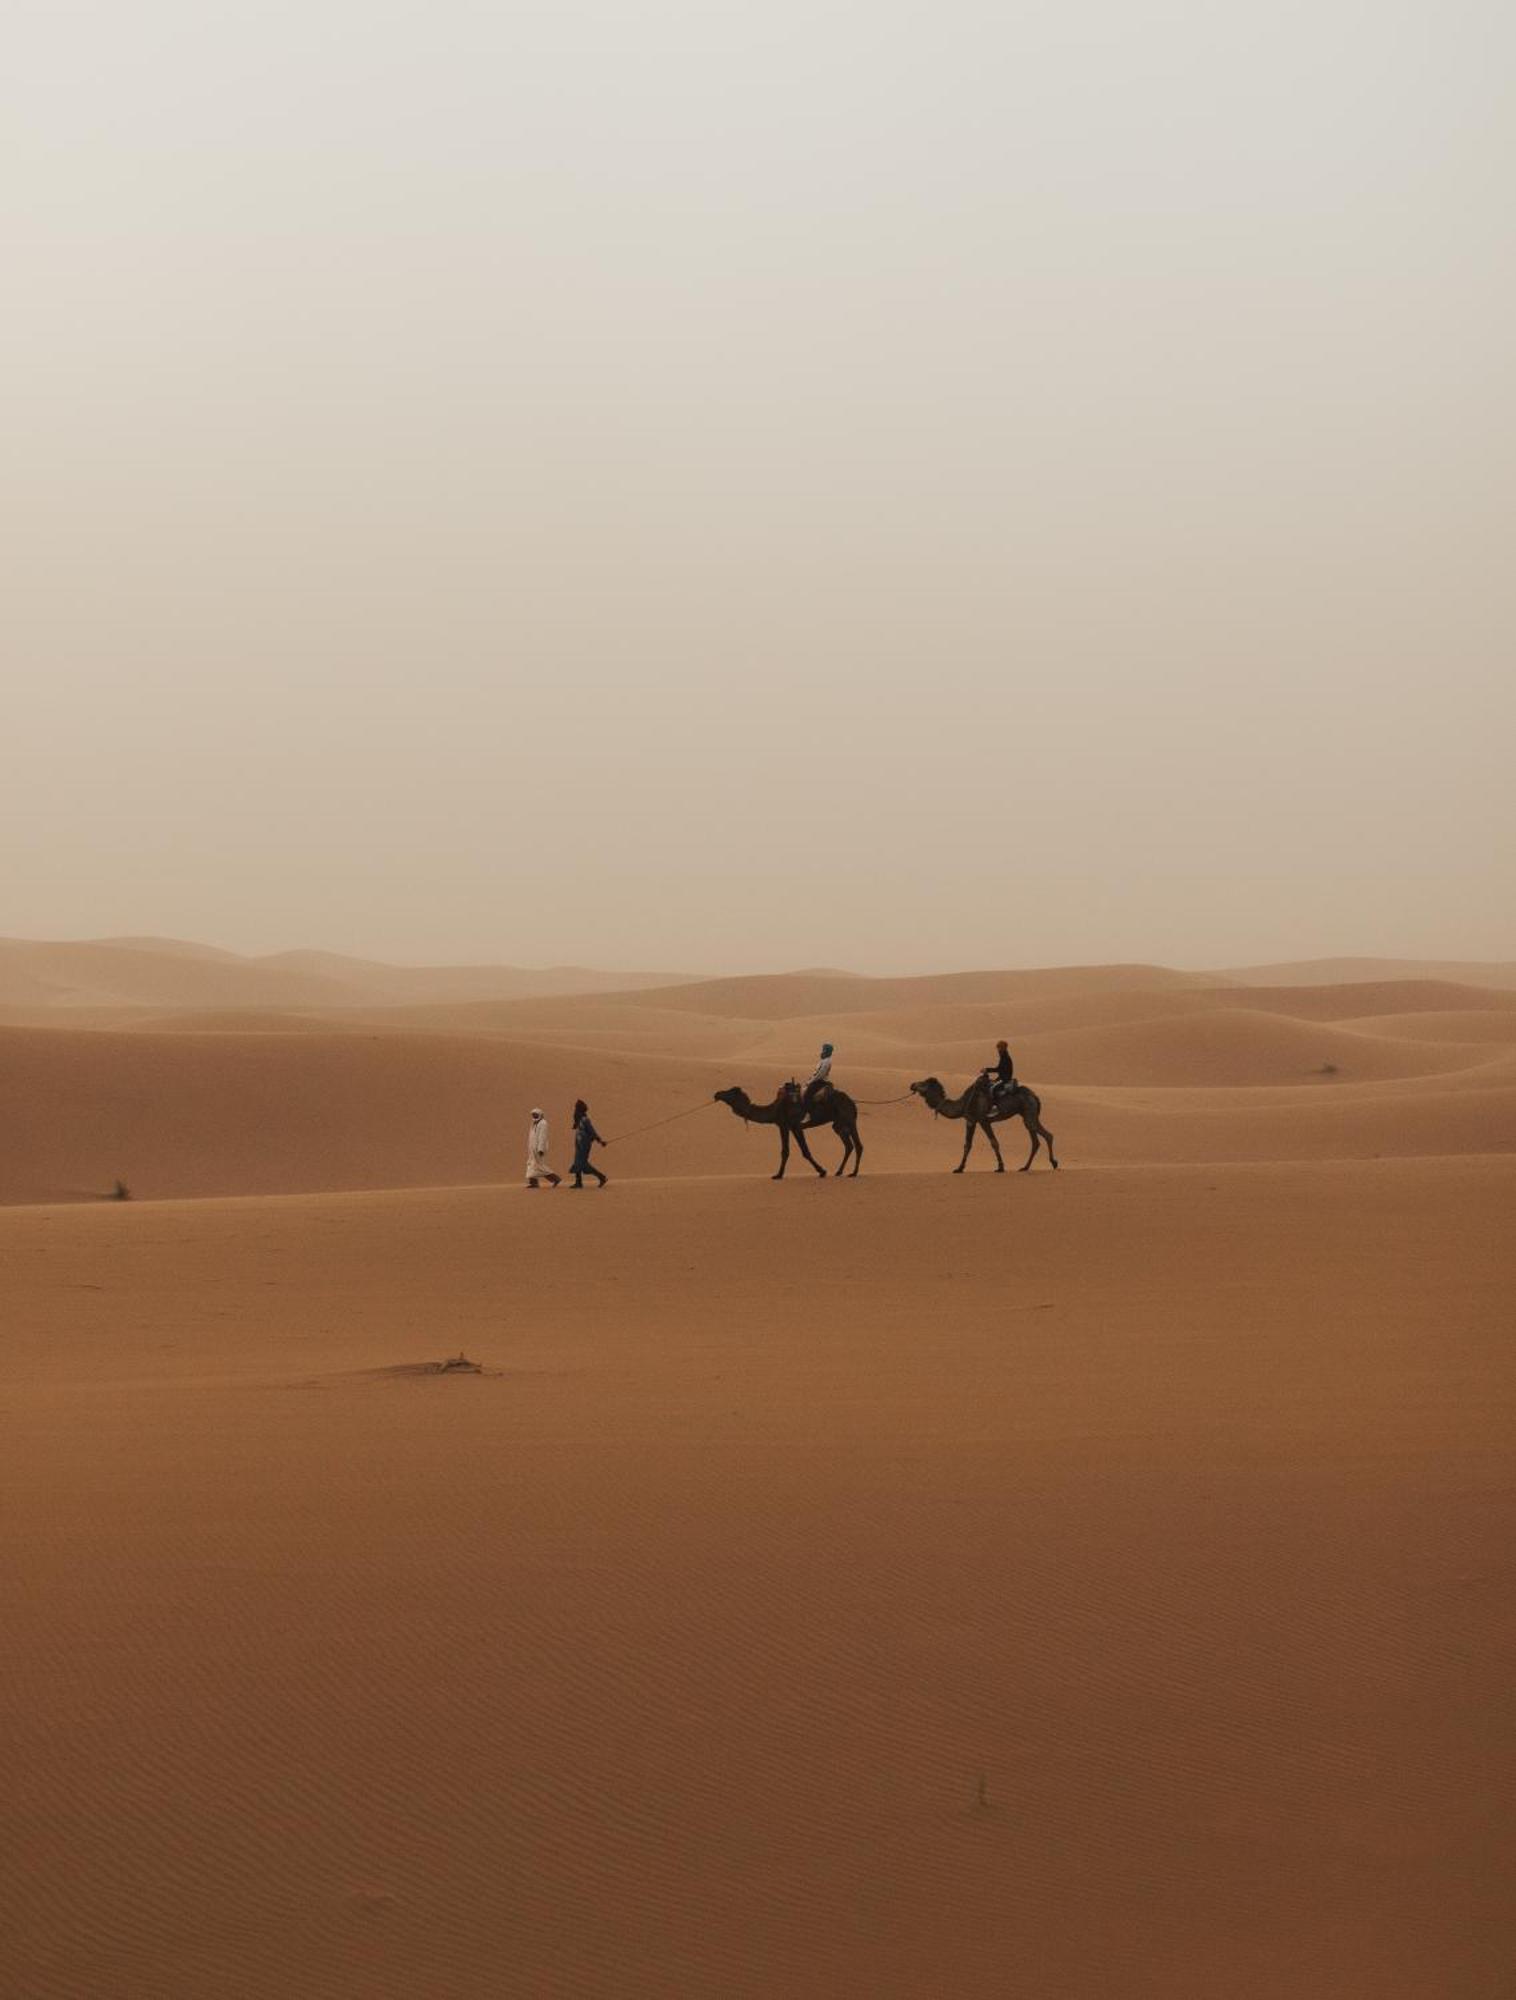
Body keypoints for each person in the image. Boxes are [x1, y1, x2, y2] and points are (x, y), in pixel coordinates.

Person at [568, 1098, 608, 1189]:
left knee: (582, 1164)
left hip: (584, 1145)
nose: (575, 1110)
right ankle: (578, 1182)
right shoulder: (579, 1120)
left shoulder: (585, 1120)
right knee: (577, 1163)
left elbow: (592, 1131)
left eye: (576, 1108)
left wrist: (599, 1140)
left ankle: (602, 1177)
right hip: (579, 1144)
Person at [525, 1107, 560, 1189]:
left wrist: (541, 1149)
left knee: (539, 1167)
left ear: (540, 1114)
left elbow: (542, 1137)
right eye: (533, 1114)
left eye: (536, 1114)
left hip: (538, 1149)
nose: (534, 1116)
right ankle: (534, 1183)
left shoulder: (543, 1123)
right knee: (531, 1165)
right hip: (532, 1149)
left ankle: (556, 1179)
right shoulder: (534, 1123)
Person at [800, 1042, 835, 1112]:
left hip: (820, 1081)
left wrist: (811, 1081)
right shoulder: (824, 1060)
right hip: (817, 1080)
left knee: (808, 1094)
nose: (822, 1051)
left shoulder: (827, 1062)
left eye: (824, 1049)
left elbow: (820, 1074)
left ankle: (808, 1111)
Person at [982, 1040, 1016, 1107]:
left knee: (992, 1089)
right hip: (1002, 1077)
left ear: (1003, 1048)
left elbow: (999, 1069)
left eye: (999, 1048)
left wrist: (987, 1070)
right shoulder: (1004, 1057)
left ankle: (995, 1107)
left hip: (1004, 1079)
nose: (998, 1050)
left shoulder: (1005, 1058)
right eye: (998, 1048)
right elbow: (1000, 1069)